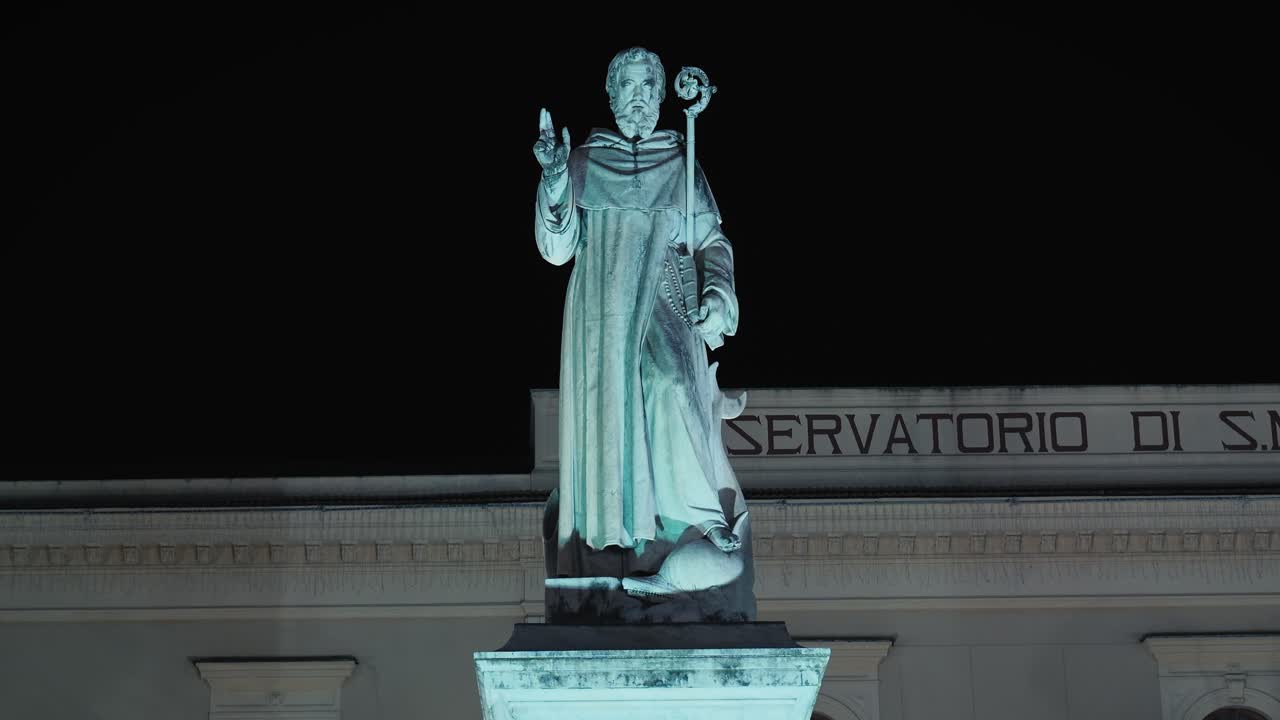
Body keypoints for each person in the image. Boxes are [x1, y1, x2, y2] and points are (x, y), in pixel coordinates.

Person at [533, 47, 746, 580]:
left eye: (649, 88)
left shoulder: (680, 160)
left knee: (673, 382)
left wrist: (718, 294)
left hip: (664, 296)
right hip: (602, 312)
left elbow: (712, 241)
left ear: (659, 97)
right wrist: (556, 182)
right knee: (614, 409)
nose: (640, 97)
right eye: (628, 86)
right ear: (610, 95)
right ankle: (622, 537)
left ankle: (698, 517)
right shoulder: (584, 161)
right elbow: (556, 250)